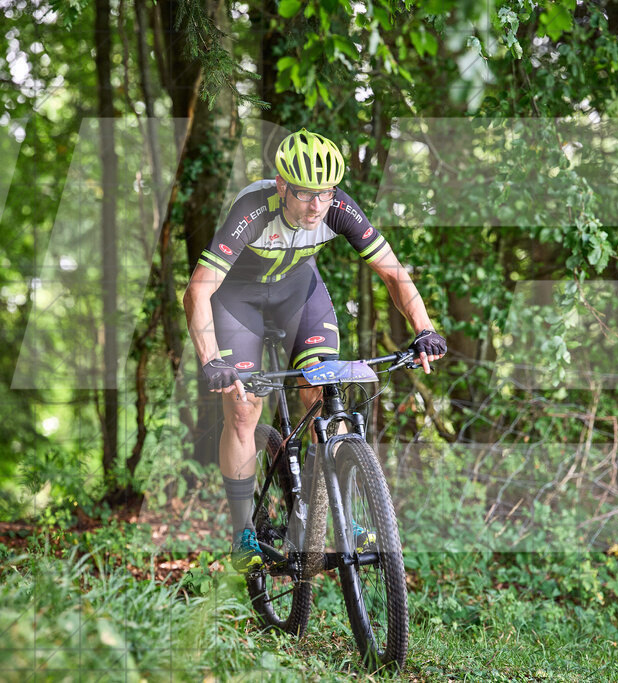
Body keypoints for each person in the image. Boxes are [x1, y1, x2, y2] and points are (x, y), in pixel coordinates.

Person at [183, 129, 447, 571]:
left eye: (324, 194)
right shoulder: (253, 210)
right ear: (282, 185)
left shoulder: (339, 208)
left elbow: (393, 273)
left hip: (297, 297)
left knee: (320, 391)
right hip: (238, 301)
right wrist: (211, 360)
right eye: (305, 194)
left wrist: (424, 328)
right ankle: (243, 528)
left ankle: (325, 507)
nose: (317, 206)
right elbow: (198, 291)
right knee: (245, 408)